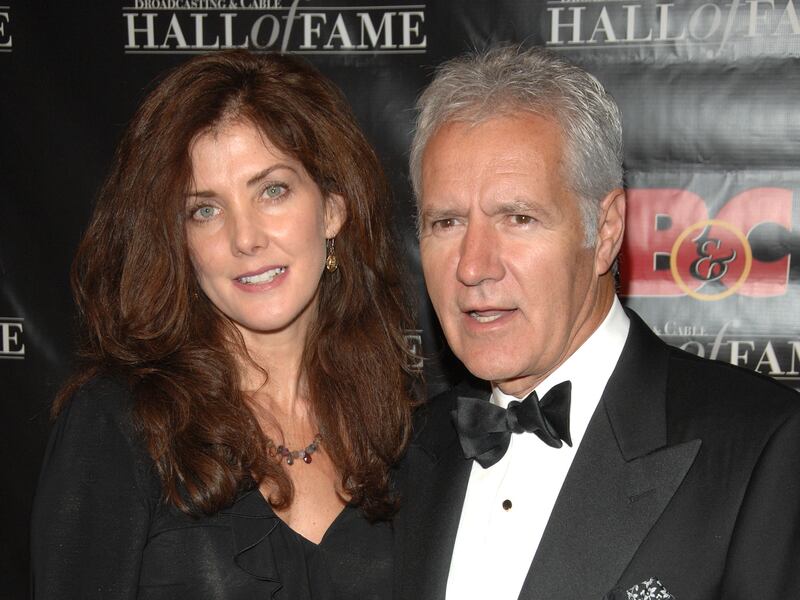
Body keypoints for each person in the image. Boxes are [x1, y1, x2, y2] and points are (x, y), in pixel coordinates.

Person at [393, 45, 800, 600]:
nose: (472, 266)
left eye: (518, 218)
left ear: (605, 229)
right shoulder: (403, 455)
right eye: (446, 222)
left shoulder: (765, 450)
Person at [31, 50, 417, 599]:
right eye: (205, 210)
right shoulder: (120, 426)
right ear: (179, 243)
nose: (245, 238)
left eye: (272, 190)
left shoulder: (398, 427)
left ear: (332, 209)